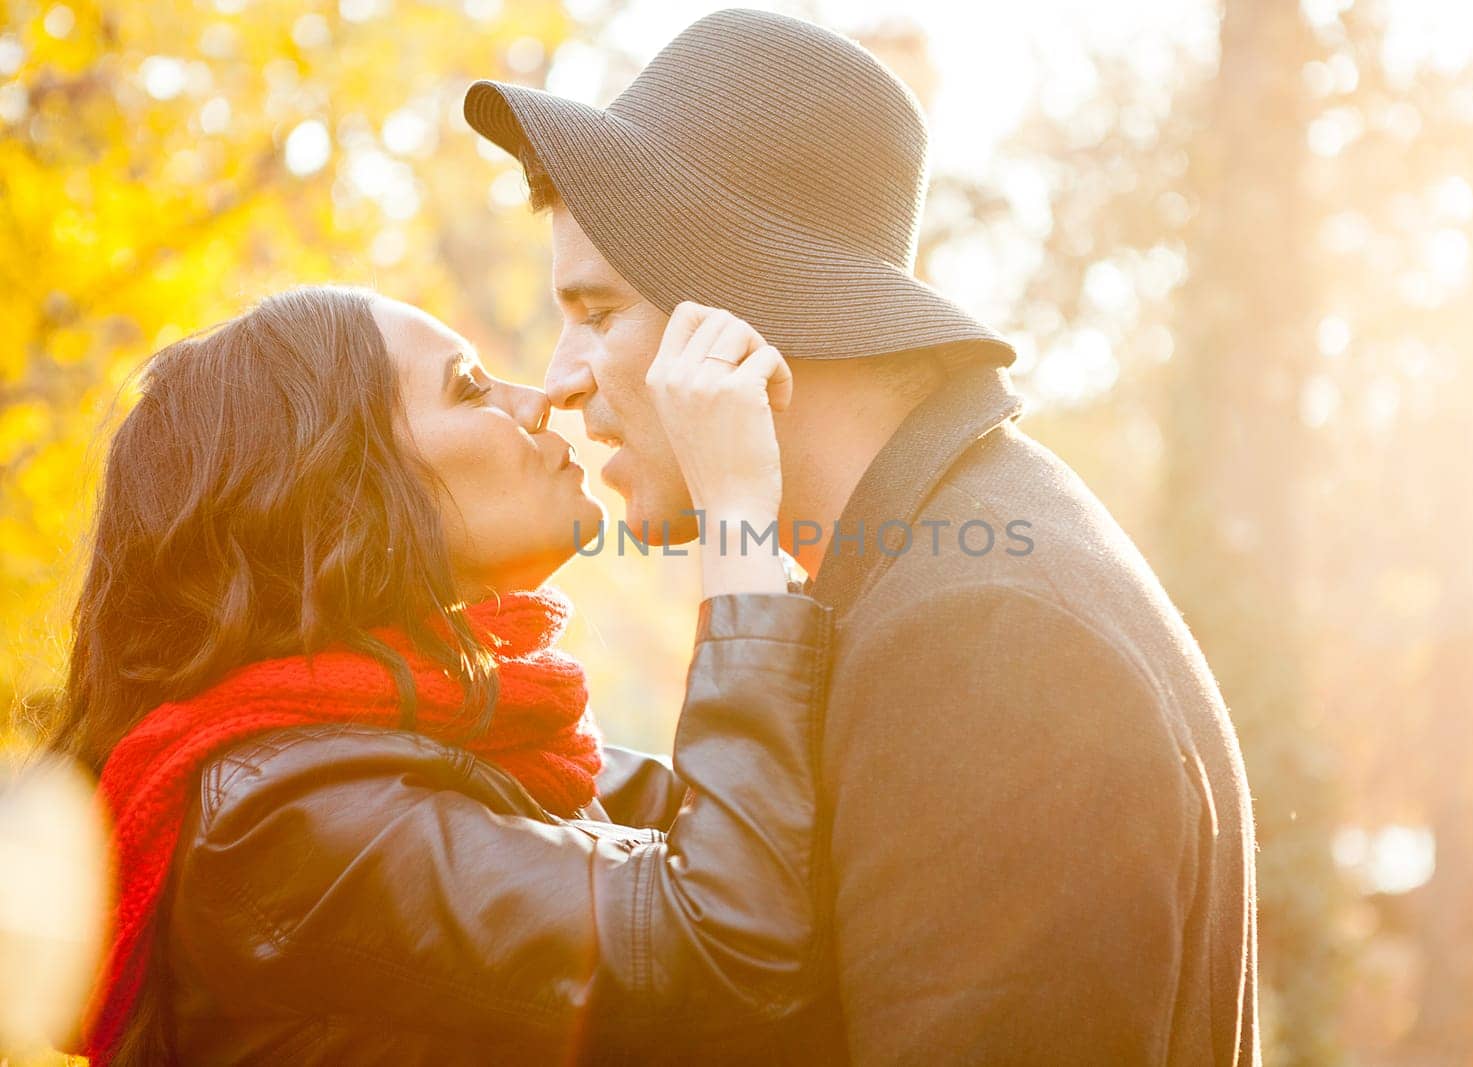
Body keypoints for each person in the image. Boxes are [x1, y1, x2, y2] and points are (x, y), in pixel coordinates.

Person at [465, 8, 1259, 1064]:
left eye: (598, 313)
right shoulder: (931, 571)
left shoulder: (989, 638)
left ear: (739, 313)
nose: (561, 381)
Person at [47, 285, 829, 1065]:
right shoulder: (280, 821)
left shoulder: (486, 741)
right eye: (469, 387)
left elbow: (792, 827)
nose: (539, 400)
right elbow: (726, 946)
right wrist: (737, 515)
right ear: (344, 496)